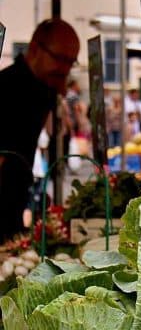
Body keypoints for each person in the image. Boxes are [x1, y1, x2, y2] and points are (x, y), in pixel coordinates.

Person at [0, 18, 79, 242]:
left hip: (15, 210)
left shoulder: (45, 85)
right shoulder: (7, 89)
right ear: (35, 48)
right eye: (60, 59)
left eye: (71, 62)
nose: (64, 68)